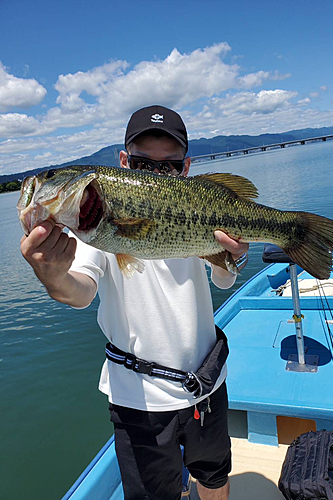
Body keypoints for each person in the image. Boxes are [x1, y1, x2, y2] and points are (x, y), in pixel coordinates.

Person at [20, 105, 249, 500]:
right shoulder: (95, 227)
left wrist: (235, 255)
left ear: (186, 168)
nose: (157, 175)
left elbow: (223, 277)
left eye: (169, 166)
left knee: (213, 477)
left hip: (208, 385)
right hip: (137, 399)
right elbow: (80, 291)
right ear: (124, 162)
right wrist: (53, 274)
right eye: (143, 164)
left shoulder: (195, 206)